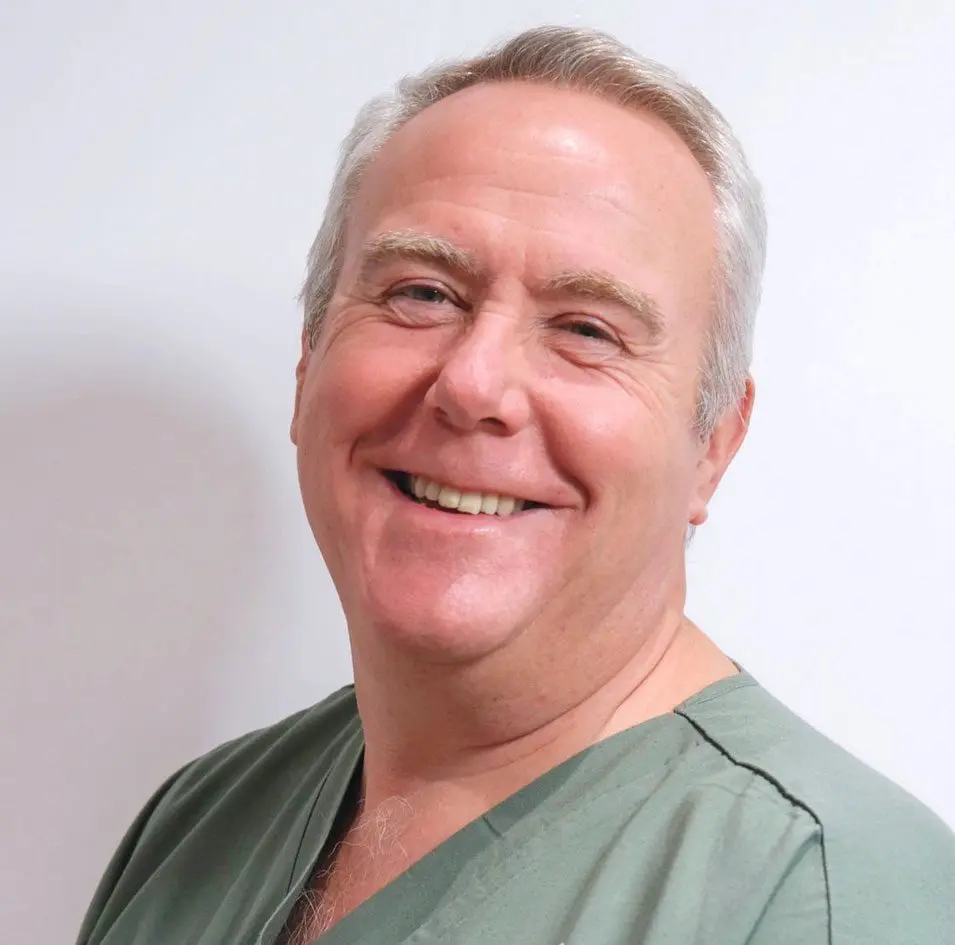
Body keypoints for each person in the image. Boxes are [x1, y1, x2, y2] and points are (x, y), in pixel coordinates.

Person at [76, 24, 955, 945]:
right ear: (307, 367)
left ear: (713, 445)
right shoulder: (198, 822)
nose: (471, 385)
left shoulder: (824, 897)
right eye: (421, 293)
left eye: (586, 329)